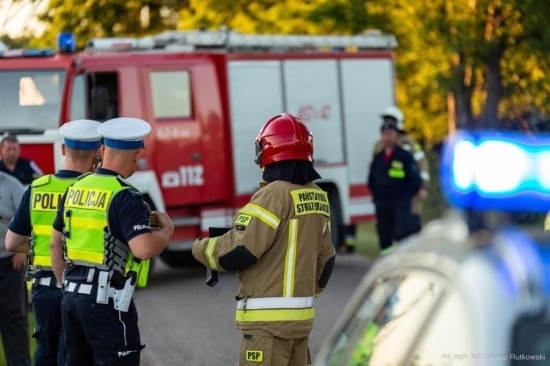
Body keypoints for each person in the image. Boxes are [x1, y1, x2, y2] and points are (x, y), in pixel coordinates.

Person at [192, 113, 336, 366]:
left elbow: (240, 250)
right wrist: (303, 293)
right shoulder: (318, 196)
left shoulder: (272, 195)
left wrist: (200, 248)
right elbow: (327, 260)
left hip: (267, 328)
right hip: (301, 324)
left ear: (267, 150)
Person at [50, 117, 174, 365]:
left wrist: (66, 286)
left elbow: (55, 244)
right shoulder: (126, 195)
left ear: (103, 150)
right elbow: (143, 248)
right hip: (106, 304)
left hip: (71, 300)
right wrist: (167, 230)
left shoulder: (74, 188)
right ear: (137, 155)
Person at [5, 119, 103, 366]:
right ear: (98, 152)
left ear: (62, 149)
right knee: (75, 355)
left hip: (44, 289)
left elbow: (12, 242)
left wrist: (41, 246)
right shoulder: (97, 192)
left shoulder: (38, 187)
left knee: (45, 353)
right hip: (84, 288)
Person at [367, 121, 422, 254]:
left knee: (402, 234)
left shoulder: (404, 156)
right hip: (382, 204)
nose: (387, 137)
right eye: (385, 134)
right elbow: (371, 180)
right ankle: (386, 264)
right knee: (384, 236)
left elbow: (414, 180)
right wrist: (377, 197)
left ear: (396, 136)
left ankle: (403, 263)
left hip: (400, 204)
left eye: (390, 134)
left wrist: (405, 197)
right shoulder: (379, 158)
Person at [374, 106, 429, 233]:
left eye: (391, 121)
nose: (387, 124)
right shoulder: (380, 145)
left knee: (411, 220)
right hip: (388, 194)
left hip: (408, 191)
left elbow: (422, 165)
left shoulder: (409, 144)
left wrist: (423, 187)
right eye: (386, 121)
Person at [0, 171, 29, 366]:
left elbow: (30, 218)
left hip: (8, 263)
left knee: (14, 321)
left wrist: (22, 252)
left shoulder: (11, 185)